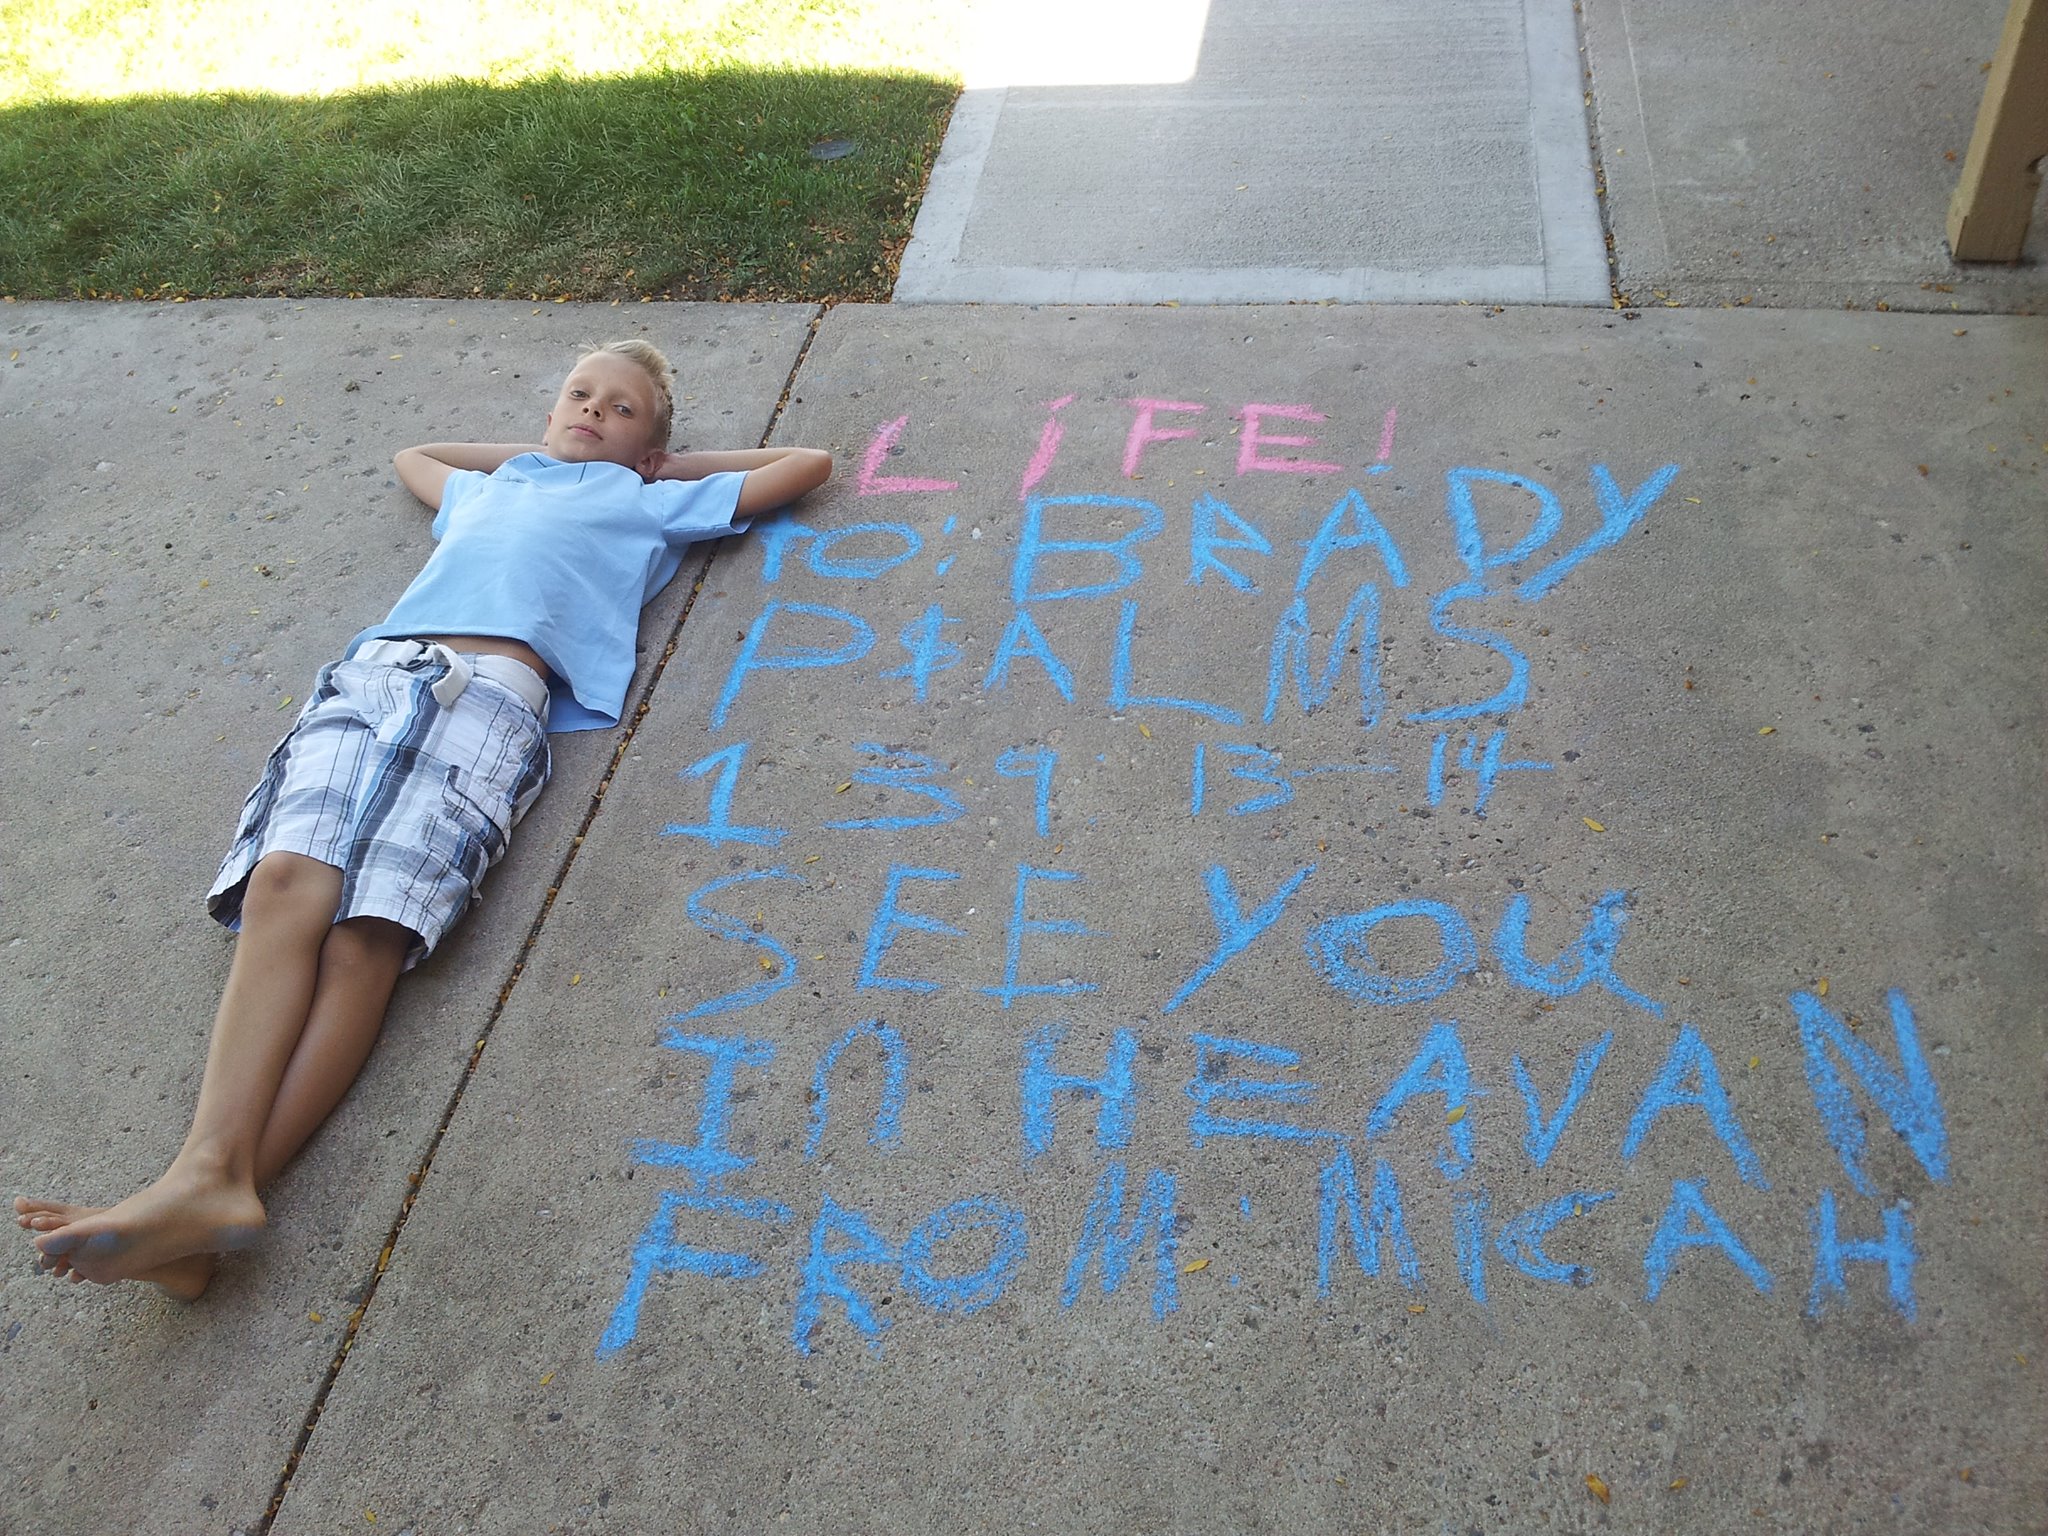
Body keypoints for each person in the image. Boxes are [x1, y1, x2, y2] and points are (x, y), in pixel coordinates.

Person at [15, 339, 831, 1298]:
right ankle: (202, 1193)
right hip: (378, 676)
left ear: (651, 453)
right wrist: (546, 454)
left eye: (621, 410)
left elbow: (805, 464)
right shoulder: (489, 492)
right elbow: (418, 455)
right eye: (579, 395)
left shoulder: (649, 501)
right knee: (286, 884)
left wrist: (648, 467)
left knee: (366, 941)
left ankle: (209, 1196)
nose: (593, 412)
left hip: (494, 697)